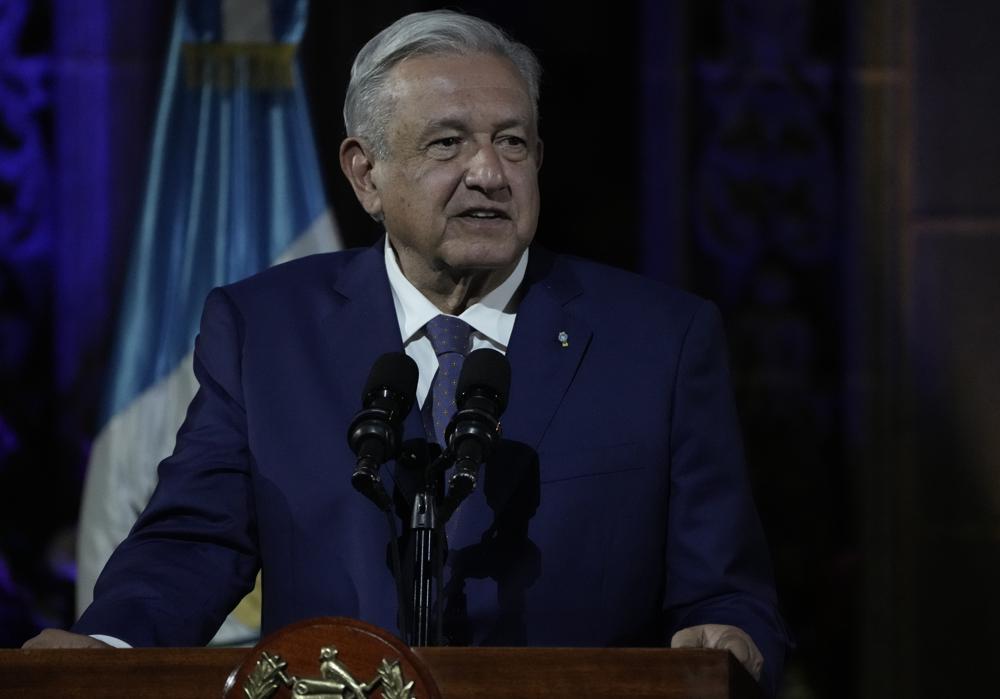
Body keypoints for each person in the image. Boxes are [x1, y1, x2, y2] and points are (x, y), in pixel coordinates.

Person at [25, 10, 790, 697]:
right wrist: (105, 646)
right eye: (448, 143)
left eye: (512, 142)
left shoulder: (659, 340)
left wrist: (728, 636)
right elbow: (195, 537)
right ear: (366, 174)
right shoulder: (265, 329)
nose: (489, 173)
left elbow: (724, 589)